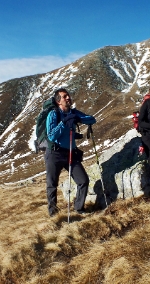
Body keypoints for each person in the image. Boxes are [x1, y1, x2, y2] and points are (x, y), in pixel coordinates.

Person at [45, 88, 97, 216]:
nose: (68, 98)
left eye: (68, 96)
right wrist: (63, 122)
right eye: (64, 97)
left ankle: (79, 209)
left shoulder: (73, 112)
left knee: (83, 180)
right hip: (54, 153)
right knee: (52, 184)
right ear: (58, 101)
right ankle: (53, 213)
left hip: (70, 153)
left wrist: (77, 118)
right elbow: (51, 136)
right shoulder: (53, 114)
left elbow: (92, 120)